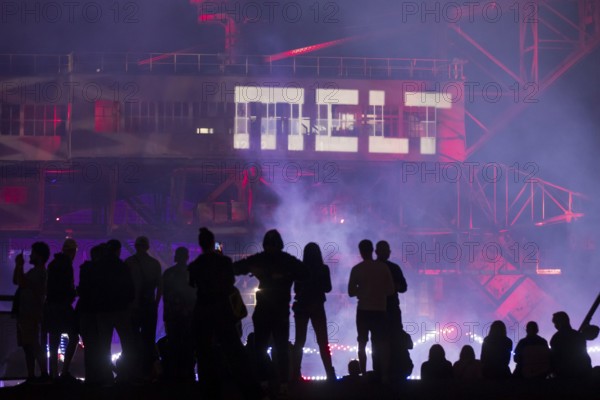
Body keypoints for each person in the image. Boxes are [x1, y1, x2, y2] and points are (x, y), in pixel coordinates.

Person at [232, 229, 308, 395]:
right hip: (278, 312)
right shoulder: (287, 260)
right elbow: (305, 272)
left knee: (262, 348)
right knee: (278, 348)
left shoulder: (263, 259)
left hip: (265, 311)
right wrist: (285, 276)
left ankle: (267, 381)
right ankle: (281, 383)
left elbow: (237, 268)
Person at [189, 227, 261, 399]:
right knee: (234, 351)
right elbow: (230, 283)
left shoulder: (195, 265)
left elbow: (192, 285)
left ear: (200, 244)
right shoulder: (225, 262)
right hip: (222, 309)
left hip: (203, 310)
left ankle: (209, 390)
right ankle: (249, 389)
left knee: (204, 352)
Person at [348, 239, 395, 383]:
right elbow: (391, 290)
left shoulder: (357, 269)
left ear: (361, 252)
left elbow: (350, 292)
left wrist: (362, 291)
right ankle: (385, 375)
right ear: (372, 250)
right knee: (382, 343)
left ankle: (363, 374)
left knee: (362, 343)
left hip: (363, 311)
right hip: (380, 310)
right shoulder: (382, 268)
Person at [291, 243, 336, 382]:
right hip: (317, 305)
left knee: (299, 341)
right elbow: (328, 288)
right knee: (323, 341)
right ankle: (329, 373)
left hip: (302, 307)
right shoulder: (323, 268)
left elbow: (296, 290)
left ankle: (295, 373)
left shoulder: (299, 269)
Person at [12, 242, 51, 384]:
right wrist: (19, 266)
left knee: (32, 344)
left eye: (33, 253)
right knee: (28, 345)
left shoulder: (39, 272)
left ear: (39, 256)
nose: (30, 255)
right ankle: (33, 376)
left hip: (31, 313)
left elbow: (20, 282)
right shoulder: (36, 272)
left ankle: (42, 374)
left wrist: (19, 265)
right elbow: (17, 280)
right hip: (27, 312)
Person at [125, 236, 162, 379]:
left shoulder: (129, 262)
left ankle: (133, 371)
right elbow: (160, 287)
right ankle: (147, 372)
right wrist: (156, 304)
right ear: (148, 247)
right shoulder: (155, 264)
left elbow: (125, 286)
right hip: (149, 307)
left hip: (133, 307)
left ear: (136, 246)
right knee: (149, 339)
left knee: (132, 339)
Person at [375, 240, 412, 379]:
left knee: (378, 342)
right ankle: (396, 370)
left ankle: (380, 371)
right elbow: (403, 287)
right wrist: (393, 287)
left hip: (376, 310)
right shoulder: (394, 268)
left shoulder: (372, 268)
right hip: (391, 310)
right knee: (394, 339)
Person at [44, 238, 79, 381]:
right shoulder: (67, 265)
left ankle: (53, 373)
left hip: (51, 305)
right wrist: (74, 293)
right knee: (74, 337)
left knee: (54, 339)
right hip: (63, 305)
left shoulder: (52, 264)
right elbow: (67, 287)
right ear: (72, 251)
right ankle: (64, 371)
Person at [161, 246, 196, 381]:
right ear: (187, 257)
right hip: (189, 317)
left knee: (174, 344)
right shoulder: (191, 272)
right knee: (189, 345)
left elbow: (165, 295)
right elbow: (195, 294)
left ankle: (175, 372)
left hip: (173, 316)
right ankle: (188, 372)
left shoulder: (168, 273)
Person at [550, 311, 592, 379]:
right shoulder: (578, 335)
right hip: (583, 372)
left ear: (559, 322)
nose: (555, 325)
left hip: (566, 375)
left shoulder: (556, 338)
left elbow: (555, 358)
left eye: (555, 323)